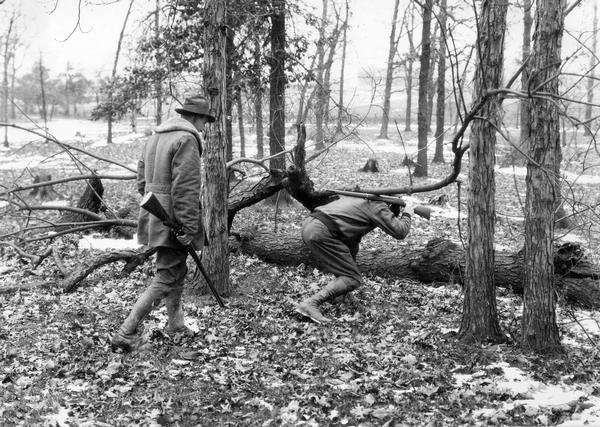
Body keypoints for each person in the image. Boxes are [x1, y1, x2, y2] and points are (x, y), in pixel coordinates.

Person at [111, 95, 215, 352]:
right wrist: (188, 228)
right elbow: (186, 190)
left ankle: (176, 324)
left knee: (175, 272)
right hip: (176, 220)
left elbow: (141, 183)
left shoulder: (155, 136)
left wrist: (160, 206)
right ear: (197, 118)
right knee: (167, 275)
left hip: (156, 216)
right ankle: (127, 331)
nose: (204, 126)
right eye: (204, 120)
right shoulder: (187, 139)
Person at [295, 196, 413, 324]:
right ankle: (310, 303)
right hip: (321, 231)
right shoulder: (377, 205)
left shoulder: (359, 199)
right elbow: (400, 232)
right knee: (352, 278)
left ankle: (340, 296)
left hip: (310, 225)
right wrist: (407, 213)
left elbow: (351, 242)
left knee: (348, 273)